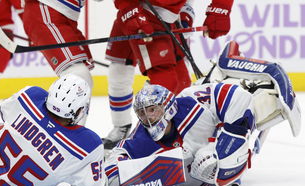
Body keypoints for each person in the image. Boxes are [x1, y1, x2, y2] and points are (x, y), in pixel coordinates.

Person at [104, 41, 301, 186]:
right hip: (194, 179)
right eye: (142, 113)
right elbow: (114, 164)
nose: (148, 118)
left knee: (259, 105)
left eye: (153, 110)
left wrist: (220, 149)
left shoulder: (190, 105)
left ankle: (236, 65)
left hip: (215, 135)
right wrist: (133, 178)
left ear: (168, 107)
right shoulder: (142, 137)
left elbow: (237, 96)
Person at [101, 0, 235, 150]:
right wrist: (131, 13)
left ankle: (178, 129)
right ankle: (136, 136)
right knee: (163, 80)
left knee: (182, 81)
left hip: (168, 18)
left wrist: (214, 10)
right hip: (142, 12)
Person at [21, 0, 94, 100]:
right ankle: (50, 114)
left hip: (63, 14)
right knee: (78, 76)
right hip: (47, 9)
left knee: (82, 80)